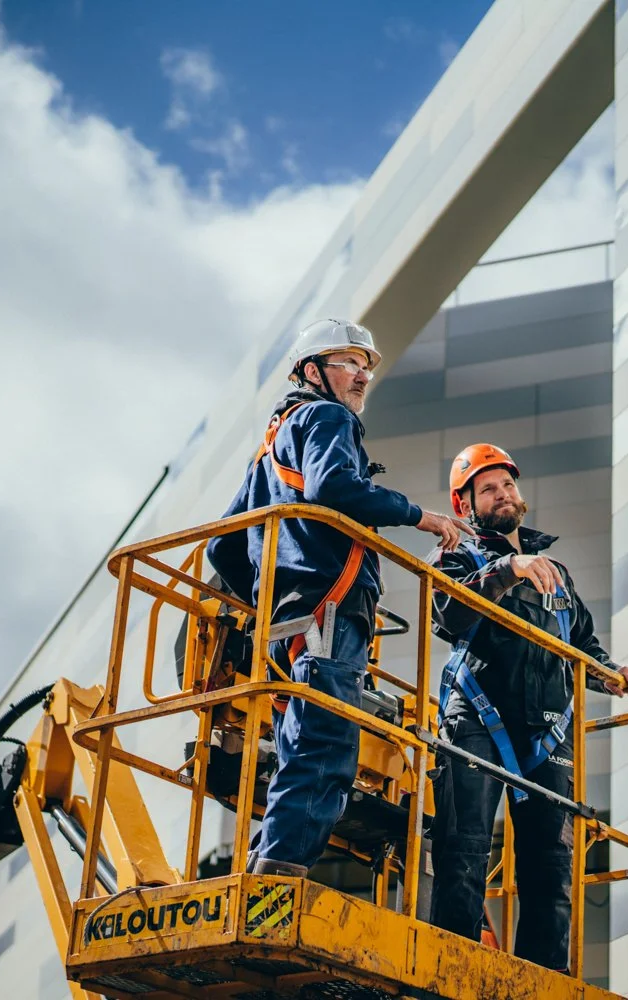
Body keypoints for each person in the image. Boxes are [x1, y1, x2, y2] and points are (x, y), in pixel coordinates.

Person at [206, 318, 472, 877]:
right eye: (349, 362)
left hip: (282, 624)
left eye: (366, 366)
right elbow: (335, 487)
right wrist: (420, 516)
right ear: (311, 371)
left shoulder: (271, 446)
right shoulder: (326, 416)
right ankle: (276, 877)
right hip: (330, 607)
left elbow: (224, 548)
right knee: (325, 746)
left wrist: (264, 599)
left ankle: (266, 863)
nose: (361, 377)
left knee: (298, 749)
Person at [428, 443, 628, 971]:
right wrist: (509, 569)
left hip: (547, 730)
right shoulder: (458, 558)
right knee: (465, 848)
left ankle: (545, 980)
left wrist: (613, 675)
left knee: (551, 864)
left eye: (507, 485)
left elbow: (582, 645)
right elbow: (448, 618)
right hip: (477, 718)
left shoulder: (557, 574)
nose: (502, 495)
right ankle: (449, 971)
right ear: (465, 506)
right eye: (488, 489)